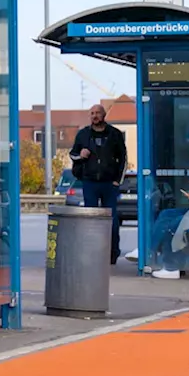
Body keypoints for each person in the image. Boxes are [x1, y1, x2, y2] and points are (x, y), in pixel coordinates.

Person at [68, 103, 127, 263]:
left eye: (97, 113)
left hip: (109, 183)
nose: (94, 116)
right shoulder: (83, 134)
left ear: (104, 115)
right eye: (92, 113)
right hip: (90, 182)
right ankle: (92, 253)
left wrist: (117, 181)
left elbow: (123, 159)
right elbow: (72, 155)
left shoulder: (114, 134)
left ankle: (112, 253)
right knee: (91, 220)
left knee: (112, 221)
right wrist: (80, 155)